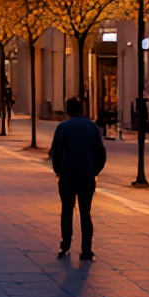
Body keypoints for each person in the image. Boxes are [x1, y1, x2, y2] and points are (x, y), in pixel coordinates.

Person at [50, 97, 107, 261]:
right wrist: (94, 171)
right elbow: (101, 153)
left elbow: (56, 152)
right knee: (85, 212)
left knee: (67, 210)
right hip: (86, 175)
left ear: (68, 110)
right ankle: (86, 250)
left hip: (68, 174)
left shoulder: (63, 127)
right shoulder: (92, 126)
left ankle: (66, 244)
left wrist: (58, 171)